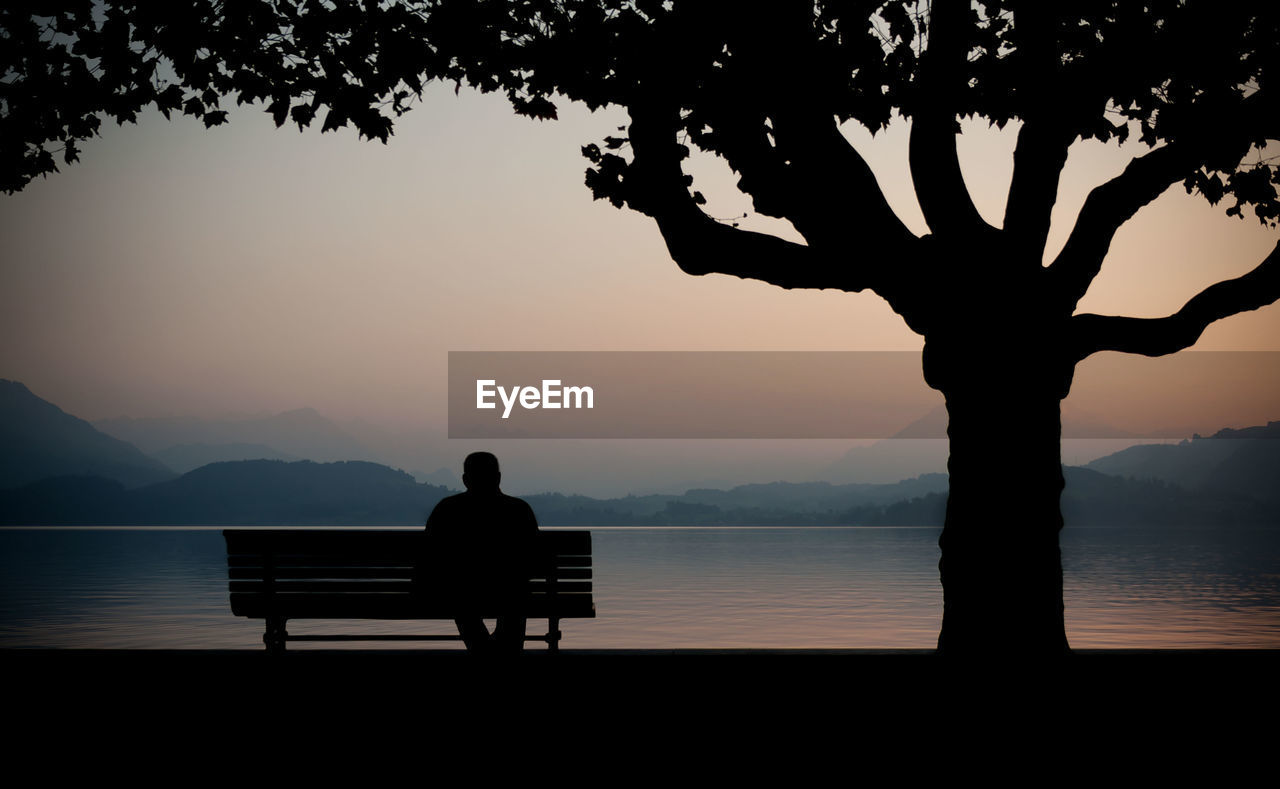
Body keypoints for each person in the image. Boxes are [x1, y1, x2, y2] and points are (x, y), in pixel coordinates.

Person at [421, 451, 540, 655]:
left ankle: (482, 651)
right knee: (516, 595)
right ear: (499, 477)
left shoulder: (447, 509)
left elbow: (428, 558)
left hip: (460, 593)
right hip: (510, 592)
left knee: (459, 593)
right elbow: (537, 561)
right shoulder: (519, 510)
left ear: (466, 479)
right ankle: (500, 654)